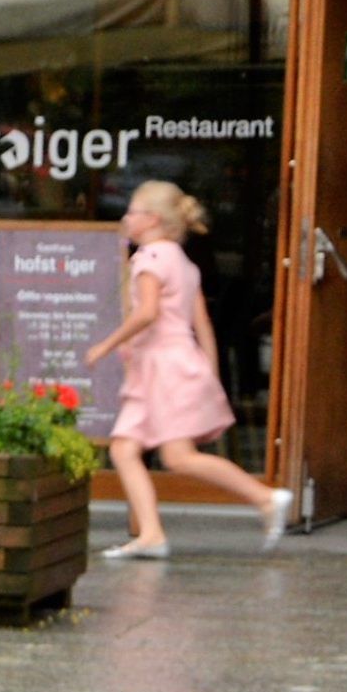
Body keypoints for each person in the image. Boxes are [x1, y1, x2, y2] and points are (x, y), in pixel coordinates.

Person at [91, 177, 288, 557]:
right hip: (174, 365)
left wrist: (106, 344)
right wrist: (209, 374)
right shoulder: (183, 262)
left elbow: (146, 313)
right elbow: (203, 325)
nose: (126, 219)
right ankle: (150, 534)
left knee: (176, 456)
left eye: (132, 212)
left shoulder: (148, 259)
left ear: (152, 220)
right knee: (124, 449)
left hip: (161, 369)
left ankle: (265, 496)